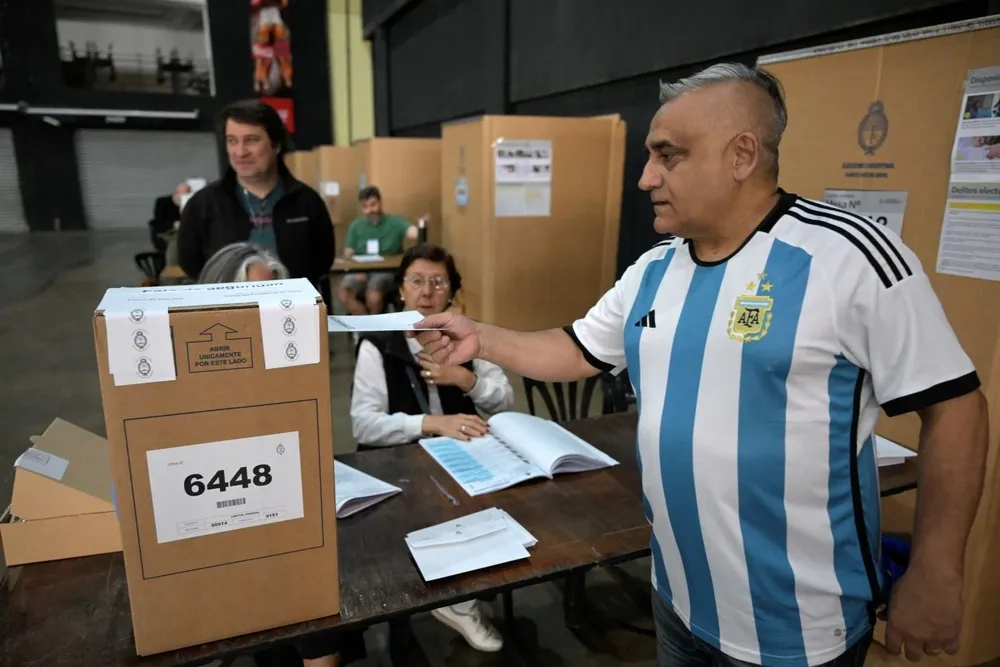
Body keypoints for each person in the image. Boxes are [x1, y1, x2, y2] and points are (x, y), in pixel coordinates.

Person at [412, 63, 989, 667]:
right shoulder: (656, 268)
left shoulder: (849, 259)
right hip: (677, 598)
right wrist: (480, 336)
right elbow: (579, 349)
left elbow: (955, 409)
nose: (645, 178)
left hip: (797, 628)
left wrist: (937, 571)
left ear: (741, 155)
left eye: (668, 156)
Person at [197, 241, 365, 667]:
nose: (267, 310)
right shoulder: (201, 380)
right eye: (253, 298)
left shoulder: (288, 365)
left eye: (275, 295)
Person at [350, 243, 512, 652]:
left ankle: (464, 594)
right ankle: (458, 597)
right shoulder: (378, 343)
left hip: (464, 458)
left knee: (512, 502)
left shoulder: (470, 337)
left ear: (452, 292)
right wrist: (429, 423)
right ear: (401, 290)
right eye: (416, 281)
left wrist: (466, 380)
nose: (426, 292)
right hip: (401, 465)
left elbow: (505, 401)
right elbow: (363, 422)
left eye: (437, 282)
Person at [177, 100, 334, 291]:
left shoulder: (307, 202)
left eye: (251, 140)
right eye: (232, 141)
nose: (240, 152)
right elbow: (191, 264)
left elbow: (322, 261)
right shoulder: (203, 205)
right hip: (226, 315)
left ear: (276, 145)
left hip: (291, 312)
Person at [337, 186, 424, 316]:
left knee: (373, 295)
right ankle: (366, 326)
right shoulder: (356, 226)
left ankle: (372, 330)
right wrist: (356, 268)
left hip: (385, 271)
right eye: (365, 206)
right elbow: (348, 252)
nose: (370, 210)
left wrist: (422, 226)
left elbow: (413, 232)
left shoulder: (394, 222)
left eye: (373, 204)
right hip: (361, 269)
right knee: (344, 294)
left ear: (380, 202)